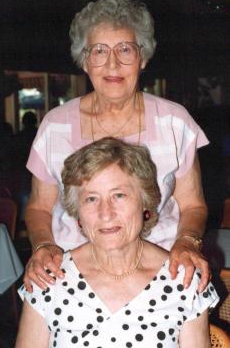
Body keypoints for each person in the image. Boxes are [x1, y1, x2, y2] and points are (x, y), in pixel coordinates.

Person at [24, 0, 210, 293]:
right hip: (71, 274)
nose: (112, 64)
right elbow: (38, 208)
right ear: (84, 61)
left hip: (161, 271)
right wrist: (43, 245)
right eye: (98, 51)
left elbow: (193, 204)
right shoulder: (54, 126)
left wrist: (187, 242)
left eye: (125, 49)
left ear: (143, 57)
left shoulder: (175, 122)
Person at [16, 138, 218, 348]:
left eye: (119, 195)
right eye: (91, 199)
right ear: (78, 213)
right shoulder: (48, 278)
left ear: (145, 202)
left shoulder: (183, 279)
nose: (106, 213)